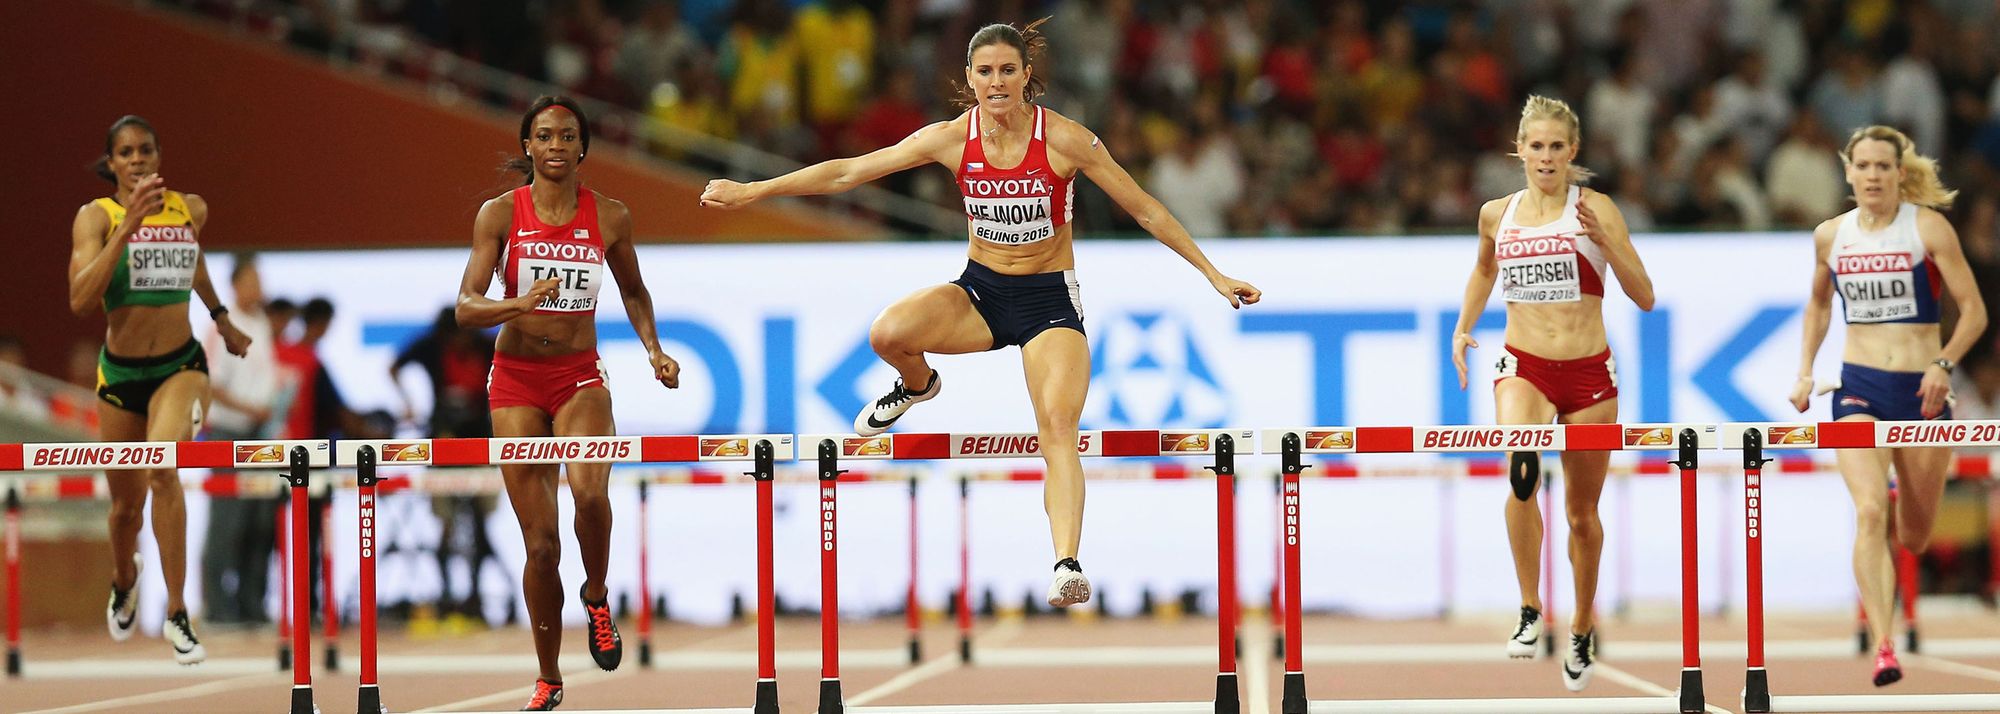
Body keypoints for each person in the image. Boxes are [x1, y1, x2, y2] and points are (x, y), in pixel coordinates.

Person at [700, 19, 1260, 609]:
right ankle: (919, 384)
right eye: (986, 72)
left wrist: (1213, 273)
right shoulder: (950, 138)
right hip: (980, 294)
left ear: (1026, 76)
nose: (997, 83)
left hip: (1048, 302)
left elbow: (1145, 209)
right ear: (969, 78)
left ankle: (1066, 562)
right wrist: (753, 191)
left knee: (1058, 427)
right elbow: (848, 171)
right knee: (887, 333)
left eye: (1008, 71)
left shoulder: (1065, 139)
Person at [455, 95, 682, 711]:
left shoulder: (610, 215)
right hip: (516, 381)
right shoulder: (500, 214)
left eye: (567, 136)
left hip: (580, 376)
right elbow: (466, 306)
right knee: (540, 546)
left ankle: (597, 594)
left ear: (582, 147)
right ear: (527, 145)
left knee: (589, 494)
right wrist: (516, 305)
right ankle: (549, 676)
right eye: (545, 136)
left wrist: (655, 350)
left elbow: (634, 290)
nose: (556, 145)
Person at [1450, 96, 1655, 692]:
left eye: (1555, 147)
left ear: (1572, 152)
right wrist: (1463, 328)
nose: (1545, 157)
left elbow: (1644, 296)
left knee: (1582, 515)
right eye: (1535, 146)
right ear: (1519, 150)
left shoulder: (1596, 209)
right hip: (1525, 366)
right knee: (1521, 469)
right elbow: (1484, 270)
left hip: (1589, 373)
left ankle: (1583, 625)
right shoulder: (1497, 214)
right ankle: (1529, 607)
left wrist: (1606, 242)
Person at [1789, 125, 1985, 687]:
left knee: (1915, 536)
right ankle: (1883, 644)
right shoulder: (1831, 236)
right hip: (1860, 389)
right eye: (1864, 166)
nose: (1873, 176)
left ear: (1900, 173)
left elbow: (1974, 312)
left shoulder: (1927, 228)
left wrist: (1943, 363)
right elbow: (1818, 306)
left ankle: (1902, 502)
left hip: (1922, 394)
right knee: (1871, 511)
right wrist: (1805, 371)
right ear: (1848, 172)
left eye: (1883, 166)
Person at [67, 115, 251, 664]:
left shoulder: (189, 209)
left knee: (162, 467)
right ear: (112, 163)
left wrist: (220, 317)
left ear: (158, 156)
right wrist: (127, 228)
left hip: (180, 367)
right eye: (125, 152)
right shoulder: (96, 217)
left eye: (145, 149)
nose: (137, 159)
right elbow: (80, 299)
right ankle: (125, 578)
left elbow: (192, 262)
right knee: (125, 509)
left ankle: (177, 611)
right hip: (121, 378)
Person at [390, 307, 499, 627]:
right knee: (446, 524)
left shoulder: (488, 346)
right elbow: (394, 367)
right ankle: (447, 595)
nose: (458, 344)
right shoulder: (431, 345)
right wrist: (408, 403)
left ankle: (475, 595)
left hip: (480, 444)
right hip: (443, 443)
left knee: (481, 524)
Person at [200, 255, 282, 627]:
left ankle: (252, 604)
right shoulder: (222, 325)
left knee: (260, 521)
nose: (260, 288)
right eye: (253, 281)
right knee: (226, 522)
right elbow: (211, 385)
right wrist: (250, 409)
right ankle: (217, 607)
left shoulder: (262, 323)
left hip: (261, 435)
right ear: (235, 285)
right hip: (229, 432)